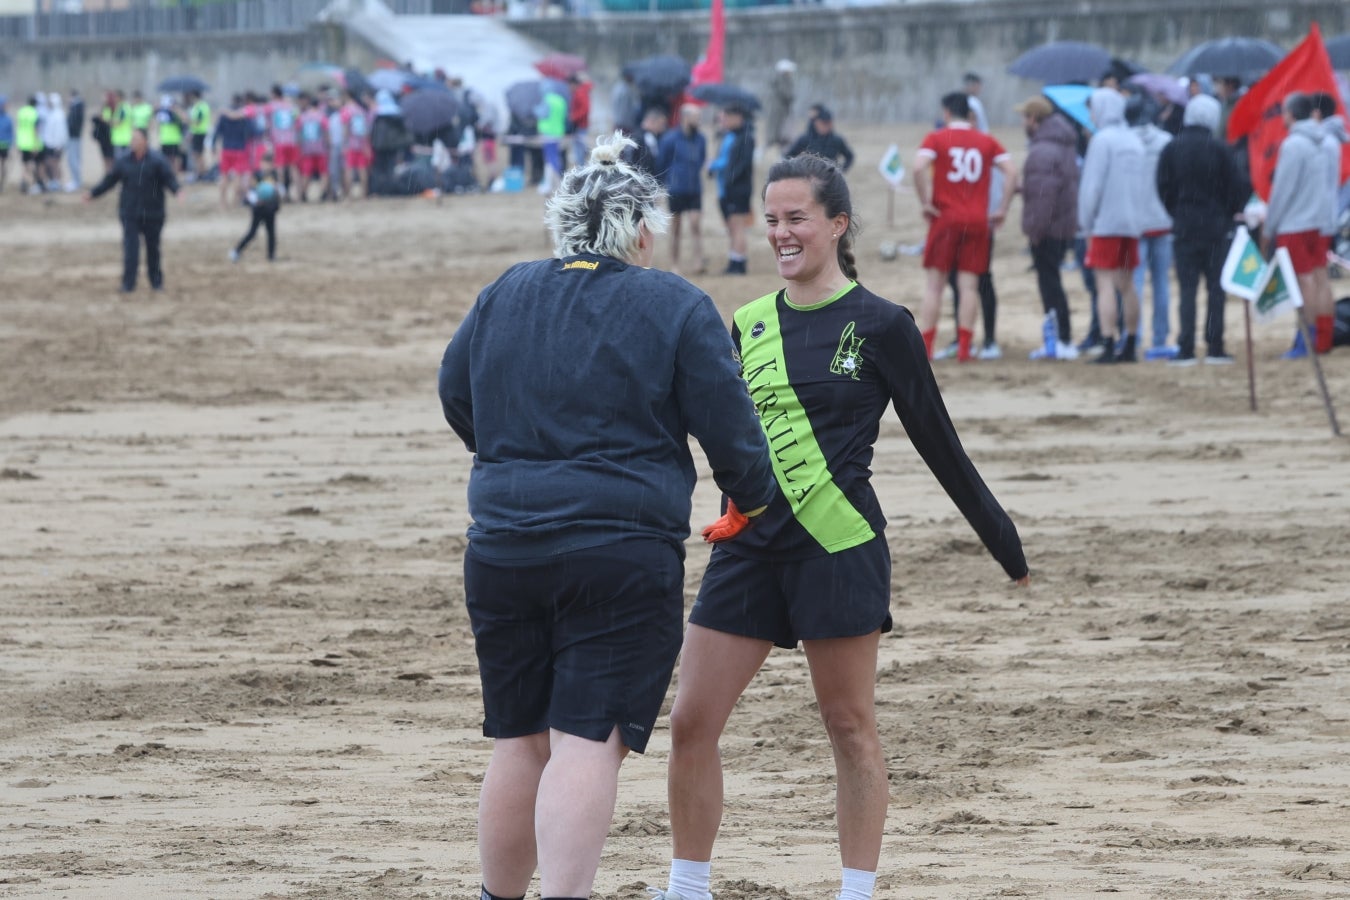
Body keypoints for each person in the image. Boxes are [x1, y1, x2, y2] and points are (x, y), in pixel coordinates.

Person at [650, 152, 1029, 900]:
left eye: (797, 219)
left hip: (839, 545)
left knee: (848, 728)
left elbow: (938, 442)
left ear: (837, 224)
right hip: (751, 546)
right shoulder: (748, 323)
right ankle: (687, 887)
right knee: (691, 722)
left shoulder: (884, 325)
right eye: (772, 221)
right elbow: (718, 435)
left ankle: (856, 892)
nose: (782, 234)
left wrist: (1003, 543)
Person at [438, 131, 777, 900]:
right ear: (643, 233)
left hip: (502, 544)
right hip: (619, 550)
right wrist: (753, 499)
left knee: (518, 738)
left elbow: (456, 394)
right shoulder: (675, 303)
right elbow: (731, 429)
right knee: (587, 741)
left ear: (563, 226)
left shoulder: (506, 291)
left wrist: (509, 457)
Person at [912, 92, 1016, 361]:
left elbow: (917, 168)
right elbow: (1012, 172)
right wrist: (1002, 208)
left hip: (945, 219)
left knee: (935, 285)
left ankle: (927, 347)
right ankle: (965, 349)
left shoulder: (937, 137)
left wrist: (925, 202)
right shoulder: (986, 140)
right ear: (970, 115)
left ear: (946, 113)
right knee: (969, 286)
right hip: (977, 221)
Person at [1156, 94, 1249, 366]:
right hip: (1216, 228)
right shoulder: (1221, 149)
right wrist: (1227, 212)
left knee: (1187, 289)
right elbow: (1237, 187)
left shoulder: (1173, 148)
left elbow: (1162, 187)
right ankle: (1214, 346)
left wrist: (1177, 212)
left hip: (1184, 226)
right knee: (1216, 290)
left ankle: (1185, 347)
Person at [1078, 87, 1146, 364]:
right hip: (1132, 222)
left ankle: (1108, 340)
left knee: (1104, 283)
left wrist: (1086, 224)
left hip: (1106, 223)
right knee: (1127, 285)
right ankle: (1130, 342)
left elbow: (1091, 188)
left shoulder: (1102, 141)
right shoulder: (1134, 140)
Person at [1262, 93, 1333, 357]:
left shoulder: (1293, 145)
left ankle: (1306, 340)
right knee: (1318, 279)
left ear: (1290, 114)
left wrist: (1270, 226)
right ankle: (1321, 338)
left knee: (1303, 282)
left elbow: (1283, 190)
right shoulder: (1325, 142)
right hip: (1318, 220)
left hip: (1295, 223)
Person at [1016, 95, 1080, 360]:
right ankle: (1061, 338)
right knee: (1054, 282)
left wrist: (1035, 230)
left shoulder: (1043, 150)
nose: (1022, 122)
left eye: (1024, 117)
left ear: (1034, 119)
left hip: (1048, 228)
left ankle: (1060, 340)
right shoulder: (1062, 145)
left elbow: (1045, 197)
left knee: (1049, 284)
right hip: (1063, 224)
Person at [85, 128, 180, 293]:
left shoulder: (157, 160)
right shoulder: (123, 161)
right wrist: (93, 194)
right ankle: (128, 284)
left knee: (153, 250)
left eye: (136, 139)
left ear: (145, 141)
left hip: (153, 213)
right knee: (130, 250)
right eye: (132, 139)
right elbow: (110, 181)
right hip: (130, 212)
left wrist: (178, 191)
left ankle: (156, 283)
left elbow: (169, 179)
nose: (133, 142)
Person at [1125, 91, 1177, 360]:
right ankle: (1159, 338)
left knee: (1133, 284)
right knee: (1161, 284)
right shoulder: (1167, 141)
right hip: (1162, 220)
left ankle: (1131, 337)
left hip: (1135, 222)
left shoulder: (1124, 143)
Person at [657, 102, 708, 276]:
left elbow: (701, 159)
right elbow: (662, 163)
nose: (699, 121)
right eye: (696, 117)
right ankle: (674, 263)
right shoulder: (670, 139)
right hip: (676, 188)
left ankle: (698, 260)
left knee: (695, 223)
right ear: (685, 118)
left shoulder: (700, 139)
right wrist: (663, 187)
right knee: (676, 228)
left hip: (694, 187)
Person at [708, 103, 755, 275]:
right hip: (726, 188)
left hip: (737, 189)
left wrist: (730, 178)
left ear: (738, 118)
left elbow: (740, 165)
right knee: (732, 227)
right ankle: (734, 258)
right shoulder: (728, 136)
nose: (724, 120)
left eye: (727, 117)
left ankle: (739, 262)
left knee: (738, 226)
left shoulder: (745, 138)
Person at [230, 157, 281, 263]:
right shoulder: (257, 175)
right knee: (252, 232)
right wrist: (256, 200)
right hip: (259, 208)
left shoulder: (274, 175)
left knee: (271, 233)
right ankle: (237, 250)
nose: (267, 166)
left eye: (269, 164)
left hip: (270, 208)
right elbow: (250, 191)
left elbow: (277, 191)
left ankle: (271, 256)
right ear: (261, 164)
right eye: (265, 163)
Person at [783, 106, 854, 171]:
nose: (827, 126)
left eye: (829, 123)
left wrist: (841, 170)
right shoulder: (804, 139)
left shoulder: (837, 140)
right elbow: (787, 156)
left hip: (830, 178)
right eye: (824, 123)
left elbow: (849, 156)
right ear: (816, 123)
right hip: (809, 177)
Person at [213, 95, 252, 209]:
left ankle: (222, 202)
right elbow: (250, 132)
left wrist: (213, 147)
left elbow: (217, 133)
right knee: (237, 177)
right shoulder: (244, 116)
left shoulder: (224, 116)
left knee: (224, 176)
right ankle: (235, 201)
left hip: (226, 149)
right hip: (240, 149)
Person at [267, 84, 300, 200]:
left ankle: (282, 194)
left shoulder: (271, 106)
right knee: (293, 168)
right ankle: (298, 194)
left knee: (280, 168)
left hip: (279, 142)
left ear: (274, 94)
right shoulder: (292, 106)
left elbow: (267, 124)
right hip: (292, 141)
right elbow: (297, 120)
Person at [296, 93, 329, 202]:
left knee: (306, 173)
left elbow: (299, 134)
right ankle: (323, 193)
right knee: (323, 172)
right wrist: (327, 145)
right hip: (321, 149)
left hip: (307, 149)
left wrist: (300, 147)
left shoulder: (303, 116)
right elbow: (325, 133)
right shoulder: (322, 116)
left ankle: (303, 194)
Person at [764, 58, 796, 154]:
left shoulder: (778, 80)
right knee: (779, 132)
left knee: (778, 131)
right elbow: (787, 94)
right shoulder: (783, 80)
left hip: (779, 109)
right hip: (780, 110)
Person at [624, 106, 667, 177]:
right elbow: (629, 161)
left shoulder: (656, 138)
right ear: (651, 121)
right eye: (661, 124)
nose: (663, 127)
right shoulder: (636, 137)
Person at [15, 95, 43, 194]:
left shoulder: (21, 112)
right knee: (32, 166)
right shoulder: (34, 113)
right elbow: (36, 130)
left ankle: (23, 182)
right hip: (31, 143)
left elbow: (19, 127)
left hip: (22, 143)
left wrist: (18, 143)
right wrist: (35, 145)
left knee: (24, 165)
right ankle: (30, 185)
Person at [41, 93, 68, 192]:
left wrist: (59, 144)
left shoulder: (59, 115)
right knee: (49, 163)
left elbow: (61, 132)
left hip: (56, 144)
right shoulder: (50, 114)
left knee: (55, 164)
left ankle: (58, 182)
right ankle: (53, 181)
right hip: (49, 143)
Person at [154, 95, 185, 174]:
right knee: (166, 158)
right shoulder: (162, 113)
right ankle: (168, 173)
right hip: (165, 139)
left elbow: (184, 120)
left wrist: (176, 110)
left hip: (175, 139)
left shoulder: (176, 113)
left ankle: (175, 173)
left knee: (175, 158)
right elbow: (157, 123)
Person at [187, 90, 212, 179]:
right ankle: (200, 172)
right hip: (197, 132)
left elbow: (198, 121)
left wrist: (187, 120)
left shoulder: (200, 107)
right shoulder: (199, 106)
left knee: (198, 154)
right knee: (197, 154)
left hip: (200, 132)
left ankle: (201, 173)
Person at [92, 91, 116, 175]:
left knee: (111, 158)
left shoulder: (114, 108)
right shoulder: (104, 108)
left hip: (111, 137)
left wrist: (104, 120)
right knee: (105, 158)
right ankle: (107, 174)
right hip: (103, 138)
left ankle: (112, 174)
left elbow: (113, 122)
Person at [66, 89, 85, 191]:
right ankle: (76, 180)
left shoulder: (76, 108)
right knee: (74, 159)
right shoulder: (77, 107)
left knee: (73, 159)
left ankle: (76, 181)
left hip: (73, 137)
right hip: (74, 136)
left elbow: (72, 124)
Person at [0, 97, 12, 192]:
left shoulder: (8, 118)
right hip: (4, 144)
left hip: (5, 145)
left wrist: (11, 144)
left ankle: (2, 184)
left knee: (4, 165)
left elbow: (11, 133)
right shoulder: (8, 118)